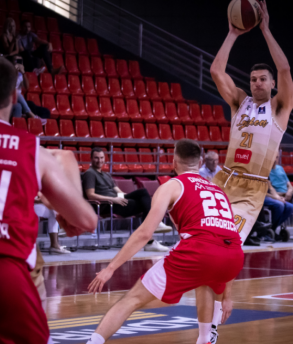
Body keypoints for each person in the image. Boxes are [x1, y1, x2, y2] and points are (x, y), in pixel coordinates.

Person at [0, 55, 98, 344]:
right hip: (6, 272)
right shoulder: (32, 149)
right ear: (15, 96)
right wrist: (65, 214)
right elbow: (87, 219)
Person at [85, 139, 244, 344]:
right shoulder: (217, 190)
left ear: (174, 161)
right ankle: (206, 339)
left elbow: (144, 233)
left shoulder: (172, 186)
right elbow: (229, 239)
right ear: (200, 161)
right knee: (205, 280)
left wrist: (111, 268)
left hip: (201, 251)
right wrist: (227, 296)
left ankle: (93, 342)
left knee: (132, 298)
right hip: (234, 257)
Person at [208, 1, 293, 341]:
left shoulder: (279, 107)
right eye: (253, 78)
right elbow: (217, 72)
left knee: (229, 245)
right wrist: (231, 34)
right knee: (202, 241)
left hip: (252, 188)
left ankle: (223, 302)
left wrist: (265, 29)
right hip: (223, 179)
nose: (257, 82)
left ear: (272, 84)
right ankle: (204, 309)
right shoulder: (239, 101)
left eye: (262, 79)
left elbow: (286, 71)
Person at [82, 147, 172, 252]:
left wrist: (126, 196)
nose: (99, 160)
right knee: (144, 201)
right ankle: (152, 232)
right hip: (107, 204)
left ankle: (151, 236)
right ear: (91, 159)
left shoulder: (106, 174)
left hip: (117, 200)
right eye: (96, 158)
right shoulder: (90, 174)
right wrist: (114, 199)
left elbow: (118, 191)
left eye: (101, 158)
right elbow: (90, 195)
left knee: (143, 195)